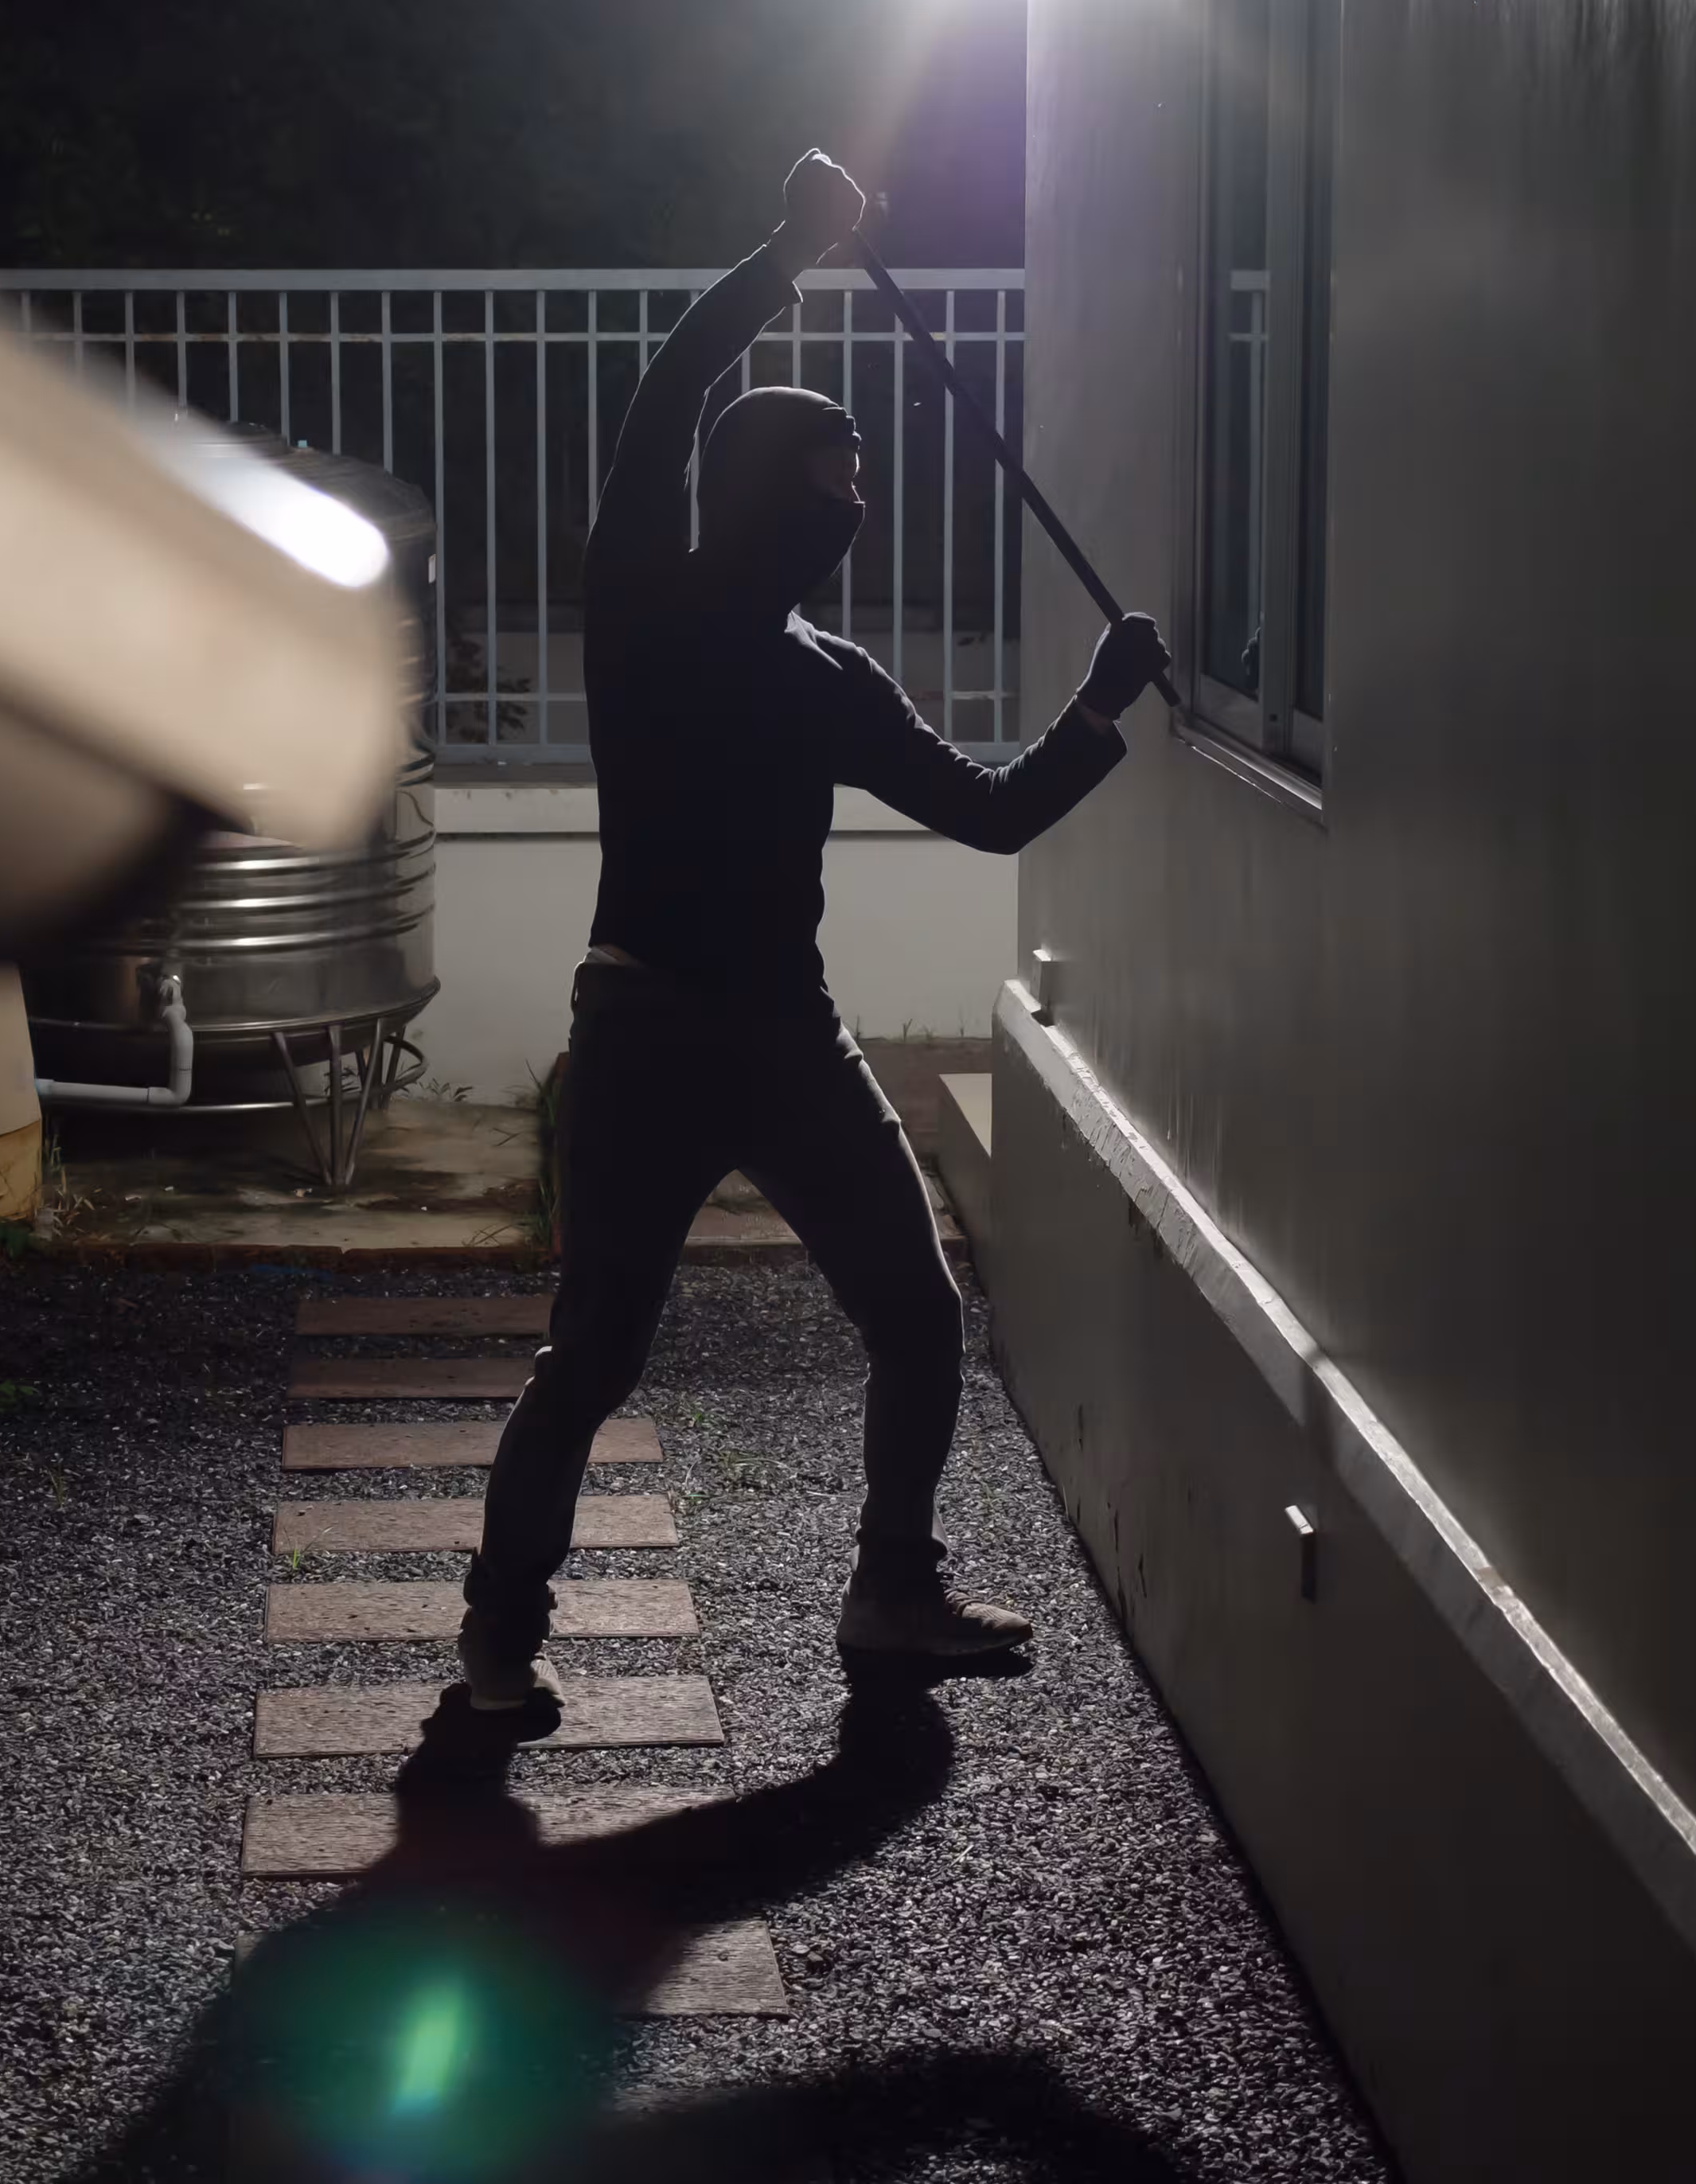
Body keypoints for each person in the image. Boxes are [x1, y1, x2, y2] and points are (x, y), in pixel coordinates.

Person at [458, 150, 1172, 1708]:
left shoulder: (828, 670)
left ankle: (889, 1595)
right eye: (836, 472)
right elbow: (672, 386)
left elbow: (986, 811)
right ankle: (500, 1636)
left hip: (781, 1039)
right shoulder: (642, 591)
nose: (854, 497)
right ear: (766, 482)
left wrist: (1097, 709)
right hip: (652, 1027)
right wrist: (786, 251)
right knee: (592, 1355)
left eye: (861, 475)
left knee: (916, 1317)